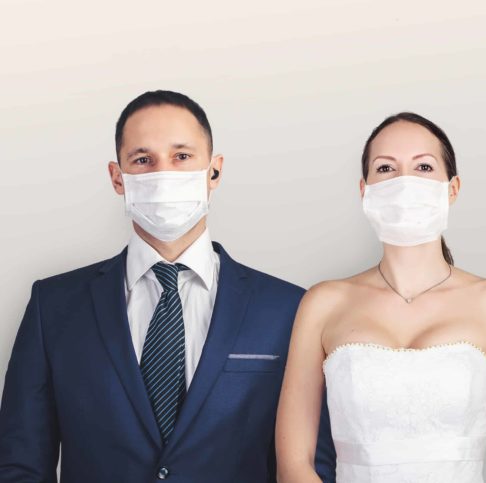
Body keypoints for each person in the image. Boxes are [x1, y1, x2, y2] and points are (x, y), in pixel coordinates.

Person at [0, 90, 336, 483]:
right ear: (117, 177)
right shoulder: (54, 306)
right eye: (143, 160)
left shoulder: (287, 309)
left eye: (182, 157)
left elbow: (314, 464)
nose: (164, 174)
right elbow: (20, 463)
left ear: (214, 171)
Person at [275, 112, 486, 482]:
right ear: (365, 191)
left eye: (423, 166)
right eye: (386, 169)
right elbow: (293, 464)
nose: (405, 182)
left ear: (452, 189)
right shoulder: (324, 304)